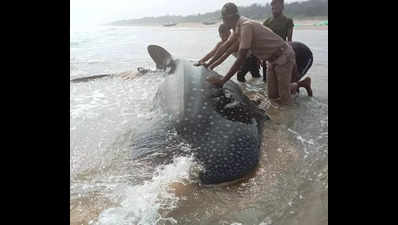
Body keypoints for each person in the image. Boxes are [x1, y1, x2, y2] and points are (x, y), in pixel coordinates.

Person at [207, 2, 299, 106]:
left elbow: (241, 58)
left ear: (229, 18)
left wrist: (223, 81)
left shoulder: (246, 26)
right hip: (271, 60)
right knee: (272, 96)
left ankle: (289, 118)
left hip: (283, 56)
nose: (223, 21)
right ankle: (293, 86)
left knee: (283, 96)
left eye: (223, 18)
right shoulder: (237, 27)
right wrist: (209, 64)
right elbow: (225, 46)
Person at [194, 25, 261, 83]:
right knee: (253, 77)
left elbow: (223, 57)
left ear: (229, 33)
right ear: (220, 34)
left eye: (226, 35)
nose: (224, 38)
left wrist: (211, 66)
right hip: (242, 60)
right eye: (222, 36)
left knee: (242, 75)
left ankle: (251, 90)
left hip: (251, 58)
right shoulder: (221, 43)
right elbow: (212, 53)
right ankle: (253, 88)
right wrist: (201, 61)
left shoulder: (234, 40)